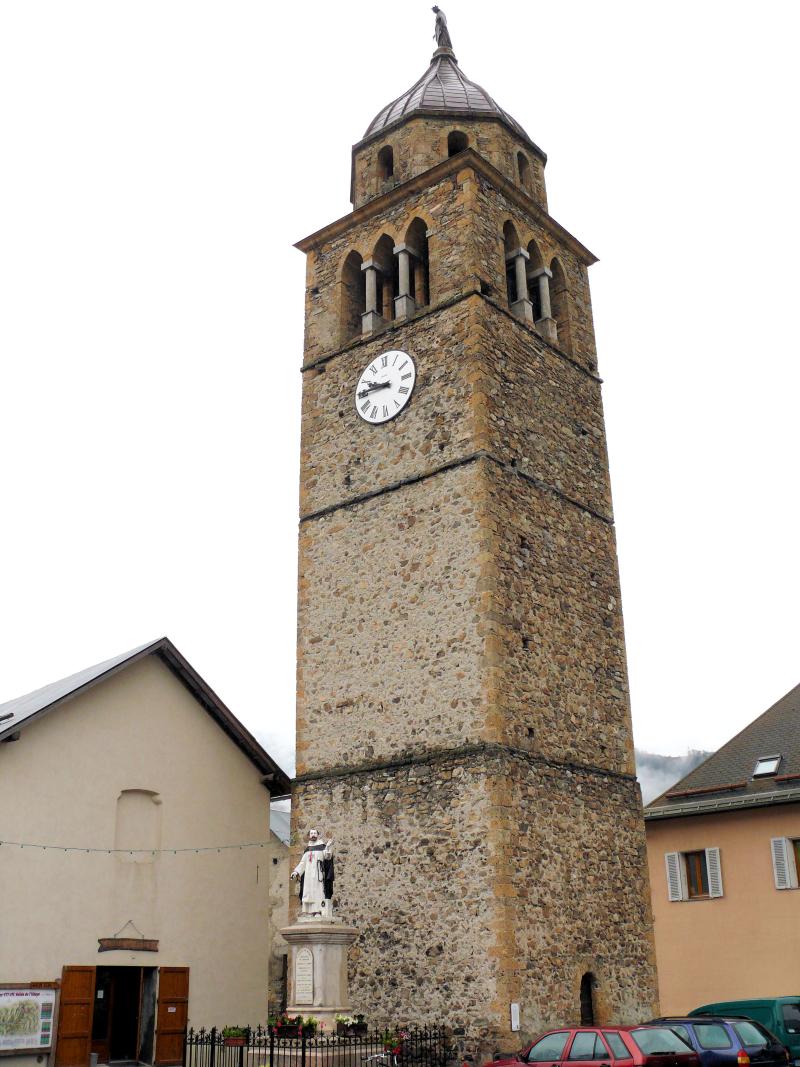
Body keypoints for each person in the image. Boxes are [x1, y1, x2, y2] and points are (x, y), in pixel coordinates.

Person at [291, 828, 335, 919]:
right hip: (308, 876)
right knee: (309, 892)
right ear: (309, 836)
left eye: (315, 833)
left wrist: (328, 847)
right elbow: (303, 863)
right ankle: (310, 911)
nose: (313, 835)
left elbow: (327, 857)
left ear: (318, 835)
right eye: (311, 833)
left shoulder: (322, 847)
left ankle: (318, 910)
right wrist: (296, 872)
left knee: (318, 892)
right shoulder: (308, 849)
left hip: (318, 874)